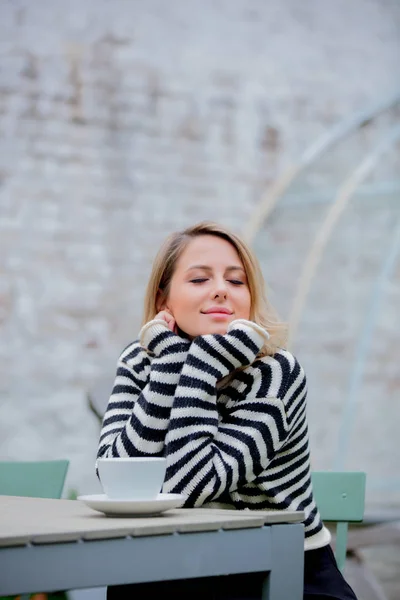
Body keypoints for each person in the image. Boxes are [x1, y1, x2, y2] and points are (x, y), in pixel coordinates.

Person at [97, 221, 358, 600]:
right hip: (168, 562)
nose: (221, 290)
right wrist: (170, 363)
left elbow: (192, 486)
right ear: (162, 300)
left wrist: (203, 363)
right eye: (200, 279)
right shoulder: (141, 361)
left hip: (278, 570)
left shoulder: (274, 374)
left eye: (236, 282)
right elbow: (116, 477)